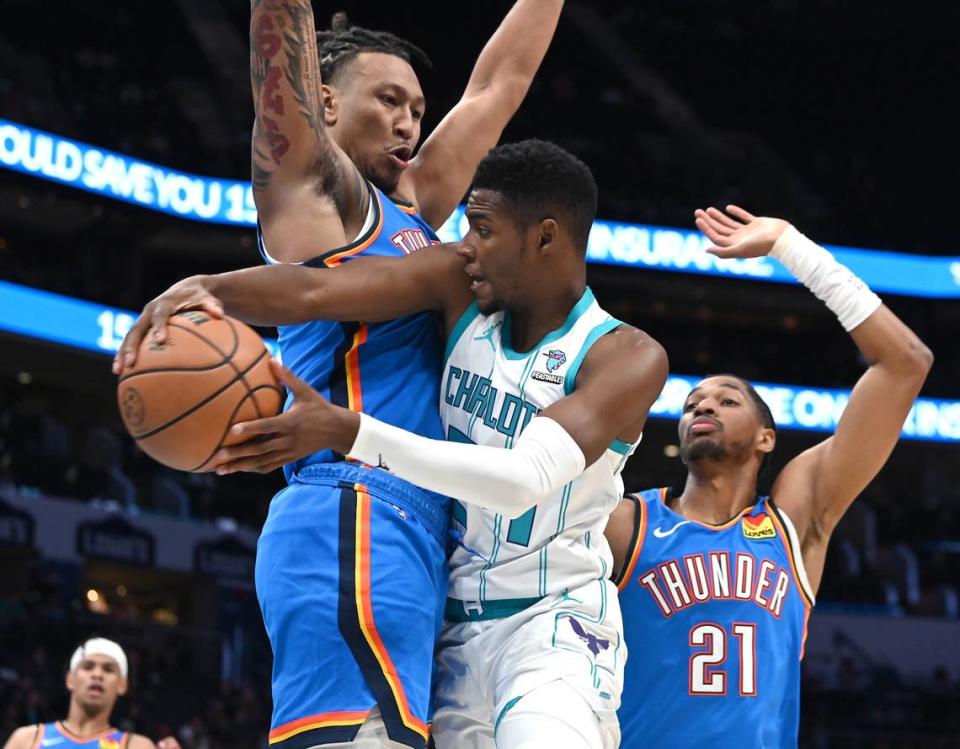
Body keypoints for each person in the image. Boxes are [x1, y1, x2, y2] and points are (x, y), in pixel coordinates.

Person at [117, 139, 668, 748]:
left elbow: (521, 479)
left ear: (544, 237)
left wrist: (351, 431)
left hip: (554, 620)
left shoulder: (625, 356)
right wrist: (206, 290)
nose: (465, 246)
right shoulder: (459, 286)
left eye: (483, 230)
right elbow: (316, 293)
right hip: (455, 631)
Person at [119, 3, 562, 747]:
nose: (409, 124)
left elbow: (499, 85)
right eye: (388, 100)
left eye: (418, 109)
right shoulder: (320, 201)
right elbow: (278, 87)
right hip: (353, 514)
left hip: (412, 530)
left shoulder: (413, 207)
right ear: (324, 102)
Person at [603, 206, 933, 748]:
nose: (702, 407)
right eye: (692, 404)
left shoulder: (794, 522)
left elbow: (906, 363)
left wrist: (788, 245)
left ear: (766, 438)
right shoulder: (627, 520)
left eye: (726, 400)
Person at [2, 638, 180, 749]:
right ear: (70, 679)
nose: (97, 674)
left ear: (122, 685)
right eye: (88, 667)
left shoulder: (136, 746)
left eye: (108, 669)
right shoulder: (27, 739)